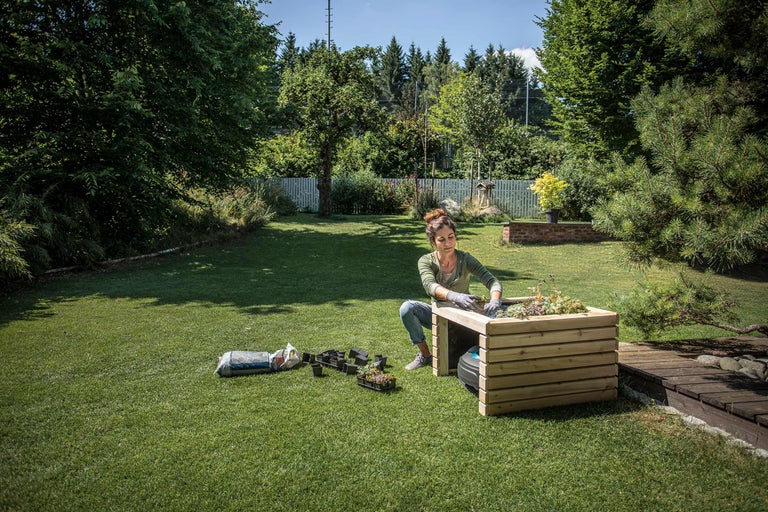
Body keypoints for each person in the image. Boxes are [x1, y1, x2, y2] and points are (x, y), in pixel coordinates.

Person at [400, 208, 503, 370]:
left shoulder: (465, 259)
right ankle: (425, 355)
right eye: (442, 239)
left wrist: (495, 299)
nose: (448, 243)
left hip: (465, 314)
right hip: (438, 314)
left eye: (451, 237)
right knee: (407, 308)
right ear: (433, 241)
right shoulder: (426, 261)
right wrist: (455, 296)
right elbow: (430, 286)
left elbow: (492, 281)